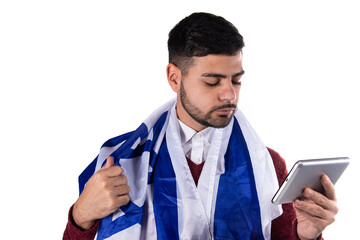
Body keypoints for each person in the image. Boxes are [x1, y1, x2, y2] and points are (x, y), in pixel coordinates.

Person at [63, 12, 338, 240]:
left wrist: (307, 235)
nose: (229, 94)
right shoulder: (120, 162)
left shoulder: (267, 164)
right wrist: (81, 216)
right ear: (174, 78)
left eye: (236, 80)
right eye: (212, 81)